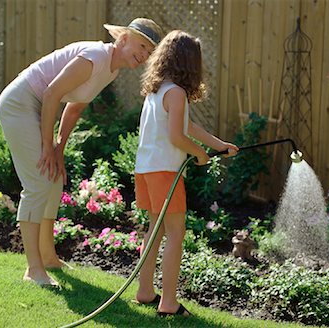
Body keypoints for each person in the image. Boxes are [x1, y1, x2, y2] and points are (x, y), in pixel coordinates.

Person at [0, 18, 164, 286]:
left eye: (149, 52)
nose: (144, 56)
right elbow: (52, 94)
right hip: (20, 103)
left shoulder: (111, 70)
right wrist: (48, 145)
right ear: (123, 38)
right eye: (142, 46)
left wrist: (59, 150)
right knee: (38, 182)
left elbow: (74, 107)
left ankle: (49, 257)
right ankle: (33, 269)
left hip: (40, 106)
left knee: (53, 178)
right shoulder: (95, 56)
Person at [133, 30, 238, 315]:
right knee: (176, 234)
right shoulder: (177, 93)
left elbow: (186, 127)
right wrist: (200, 154)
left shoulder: (157, 90)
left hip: (146, 170)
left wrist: (218, 145)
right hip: (165, 171)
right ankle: (168, 302)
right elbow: (178, 138)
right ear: (190, 62)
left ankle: (145, 291)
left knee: (154, 231)